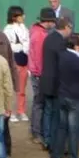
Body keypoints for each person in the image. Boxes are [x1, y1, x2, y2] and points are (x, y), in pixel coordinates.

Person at [41, 16, 72, 152]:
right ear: (66, 27)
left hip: (46, 80)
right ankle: (54, 142)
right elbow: (63, 63)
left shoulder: (48, 38)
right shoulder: (61, 42)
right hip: (55, 83)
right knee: (55, 114)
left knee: (48, 112)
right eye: (70, 28)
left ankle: (47, 139)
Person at [27, 8, 55, 144]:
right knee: (39, 103)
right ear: (48, 21)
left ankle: (36, 130)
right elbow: (38, 57)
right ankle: (37, 132)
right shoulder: (40, 35)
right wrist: (42, 74)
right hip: (39, 74)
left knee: (38, 103)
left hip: (36, 72)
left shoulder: (37, 31)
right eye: (52, 21)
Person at [3, 6, 30, 122]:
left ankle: (21, 111)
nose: (24, 17)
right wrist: (19, 47)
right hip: (14, 61)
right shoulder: (8, 29)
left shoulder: (24, 28)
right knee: (13, 88)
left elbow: (27, 43)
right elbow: (9, 46)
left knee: (22, 89)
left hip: (24, 61)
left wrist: (25, 47)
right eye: (21, 15)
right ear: (14, 17)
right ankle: (11, 111)